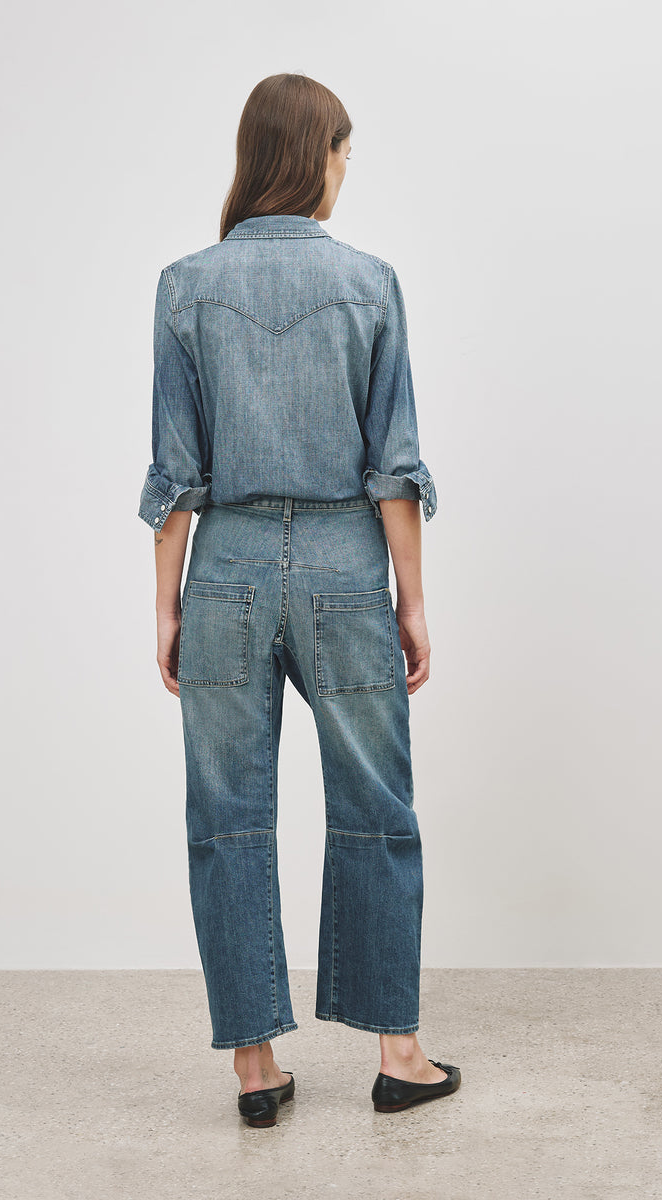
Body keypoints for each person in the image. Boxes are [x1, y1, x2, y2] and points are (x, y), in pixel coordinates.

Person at [138, 73, 460, 1127]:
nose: (344, 170)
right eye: (342, 152)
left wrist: (167, 605)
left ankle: (256, 1068)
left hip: (224, 571)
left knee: (226, 819)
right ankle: (398, 1053)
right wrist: (412, 599)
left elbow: (176, 475)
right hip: (344, 569)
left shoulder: (184, 287)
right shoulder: (370, 283)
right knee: (376, 809)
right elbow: (394, 469)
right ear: (314, 156)